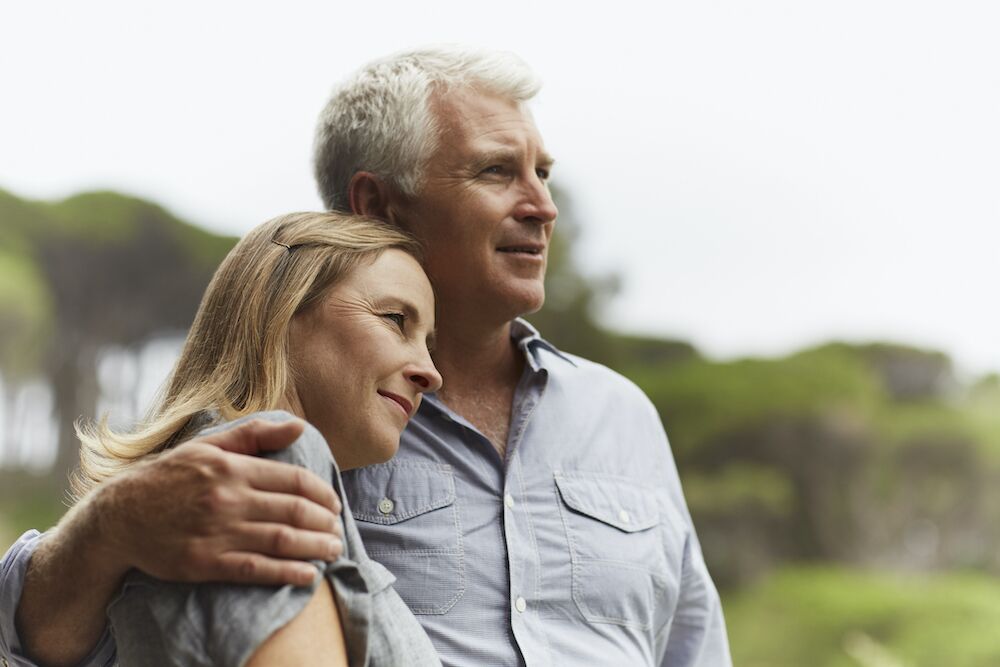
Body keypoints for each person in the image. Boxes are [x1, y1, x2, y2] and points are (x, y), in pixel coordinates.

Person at [1, 47, 732, 667]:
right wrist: (108, 523)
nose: (543, 204)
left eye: (543, 172)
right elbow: (50, 635)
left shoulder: (622, 415)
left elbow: (695, 647)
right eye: (496, 172)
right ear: (377, 204)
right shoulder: (284, 439)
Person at [94, 211, 442, 666]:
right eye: (396, 319)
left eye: (428, 344)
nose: (431, 374)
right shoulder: (265, 462)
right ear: (282, 309)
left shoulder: (212, 472)